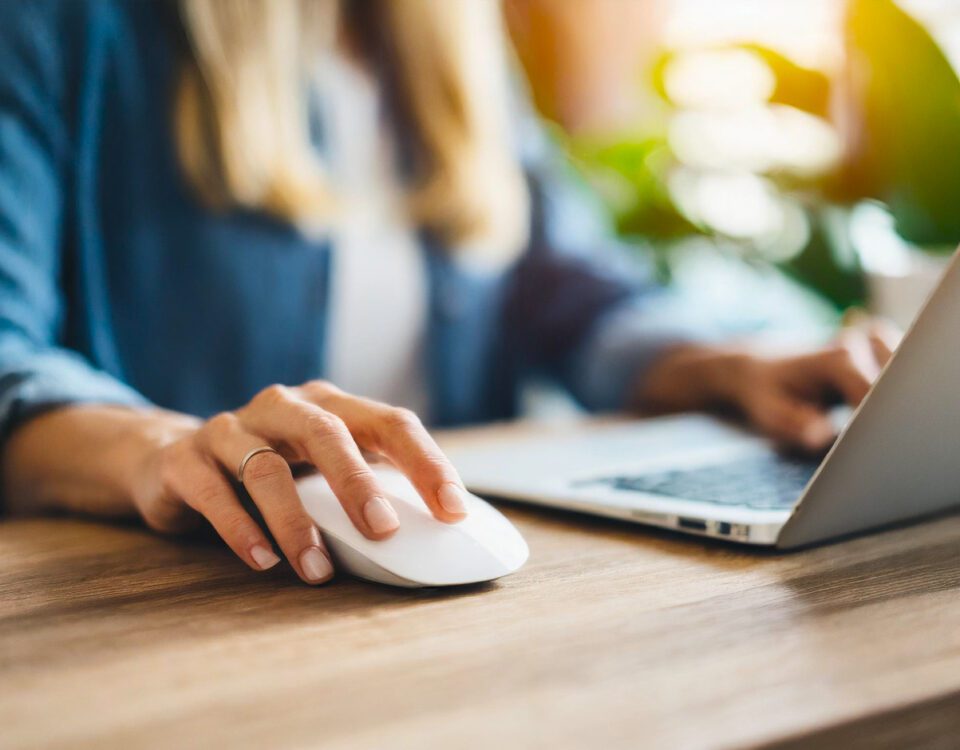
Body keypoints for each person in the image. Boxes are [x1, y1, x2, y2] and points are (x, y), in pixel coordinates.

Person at [0, 0, 896, 585]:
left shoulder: (450, 37)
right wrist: (169, 449)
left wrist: (723, 363)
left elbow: (562, 285)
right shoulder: (64, 30)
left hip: (455, 601)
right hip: (187, 596)